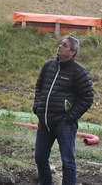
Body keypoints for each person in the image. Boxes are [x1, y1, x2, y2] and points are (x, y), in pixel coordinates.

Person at [32, 36, 94, 185]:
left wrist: (70, 117)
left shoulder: (79, 71)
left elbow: (87, 97)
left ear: (72, 52)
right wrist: (37, 106)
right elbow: (39, 86)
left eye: (64, 45)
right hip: (45, 122)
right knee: (40, 157)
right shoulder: (48, 66)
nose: (60, 46)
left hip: (64, 124)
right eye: (60, 44)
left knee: (67, 161)